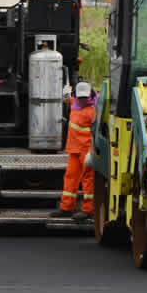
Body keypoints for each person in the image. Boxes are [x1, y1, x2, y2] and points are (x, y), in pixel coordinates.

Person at [51, 81, 96, 221]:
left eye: (85, 97)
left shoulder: (94, 110)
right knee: (70, 177)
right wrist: (66, 92)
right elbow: (67, 98)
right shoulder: (74, 103)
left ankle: (89, 209)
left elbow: (97, 133)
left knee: (88, 179)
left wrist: (93, 151)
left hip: (87, 150)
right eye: (80, 97)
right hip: (74, 149)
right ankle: (67, 207)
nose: (83, 100)